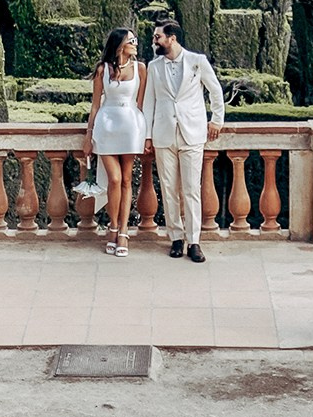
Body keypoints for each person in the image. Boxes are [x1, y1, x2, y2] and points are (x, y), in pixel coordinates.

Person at [139, 18, 227, 262]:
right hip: (164, 134)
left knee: (191, 189)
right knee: (168, 189)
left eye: (157, 37)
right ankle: (176, 238)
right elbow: (150, 102)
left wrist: (217, 120)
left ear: (172, 38)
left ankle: (194, 241)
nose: (154, 40)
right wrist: (147, 135)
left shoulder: (197, 62)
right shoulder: (154, 66)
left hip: (192, 133)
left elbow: (215, 90)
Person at [84, 26, 147, 256]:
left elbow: (141, 104)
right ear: (120, 44)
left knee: (127, 179)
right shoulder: (103, 69)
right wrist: (88, 136)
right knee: (114, 178)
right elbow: (95, 105)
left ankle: (122, 231)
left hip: (130, 126)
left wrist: (145, 134)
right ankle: (111, 225)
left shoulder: (141, 68)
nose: (136, 44)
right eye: (132, 40)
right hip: (106, 125)